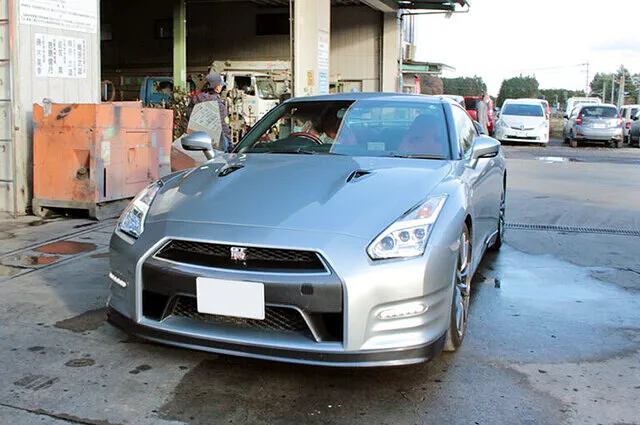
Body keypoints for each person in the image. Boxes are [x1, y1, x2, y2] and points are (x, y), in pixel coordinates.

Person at [182, 72, 232, 152]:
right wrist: (230, 145)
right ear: (217, 88)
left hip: (195, 141)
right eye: (220, 85)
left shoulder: (195, 100)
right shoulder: (219, 105)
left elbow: (186, 120)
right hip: (213, 145)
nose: (222, 87)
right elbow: (224, 127)